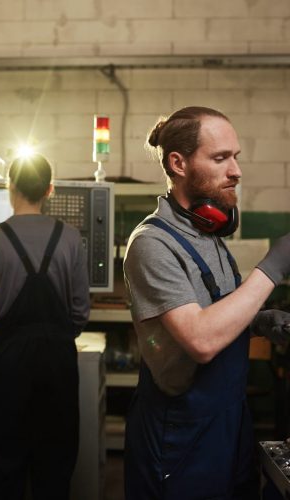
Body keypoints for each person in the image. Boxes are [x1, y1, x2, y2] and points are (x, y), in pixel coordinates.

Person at [123, 106, 290, 500]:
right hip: (181, 434)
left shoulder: (208, 235)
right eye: (220, 158)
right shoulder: (152, 244)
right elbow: (200, 339)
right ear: (178, 163)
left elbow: (216, 311)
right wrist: (274, 265)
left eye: (235, 157)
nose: (236, 171)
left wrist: (259, 321)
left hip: (229, 422)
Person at [0, 153, 90, 500]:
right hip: (58, 361)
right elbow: (80, 312)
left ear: (10, 187)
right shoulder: (71, 238)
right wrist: (58, 338)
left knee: (7, 460)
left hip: (7, 362)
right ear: (49, 190)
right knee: (56, 458)